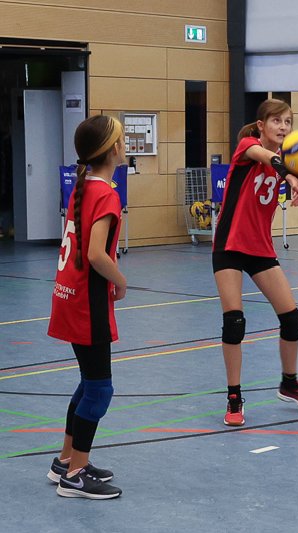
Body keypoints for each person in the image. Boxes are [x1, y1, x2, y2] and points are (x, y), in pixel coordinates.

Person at [214, 98, 298, 426]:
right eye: (276, 121)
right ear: (261, 126)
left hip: (260, 248)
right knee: (234, 322)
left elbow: (288, 171)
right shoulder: (247, 147)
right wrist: (291, 174)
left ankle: (289, 383)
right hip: (230, 246)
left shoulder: (288, 161)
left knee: (293, 319)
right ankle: (234, 397)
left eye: (288, 122)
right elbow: (267, 158)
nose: (283, 127)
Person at [47, 115, 127, 499]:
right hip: (87, 303)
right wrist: (121, 280)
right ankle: (76, 475)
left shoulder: (84, 186)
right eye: (121, 139)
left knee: (87, 383)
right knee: (99, 390)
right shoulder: (106, 195)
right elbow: (96, 254)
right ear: (112, 149)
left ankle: (66, 460)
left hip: (69, 296)